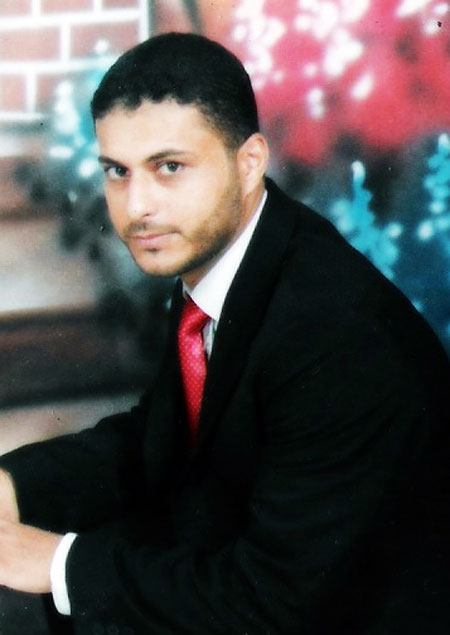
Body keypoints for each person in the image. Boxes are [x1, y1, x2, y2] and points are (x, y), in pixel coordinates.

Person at [0, 31, 449, 635]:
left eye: (169, 167)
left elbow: (271, 603)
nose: (137, 207)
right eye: (117, 171)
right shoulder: (226, 259)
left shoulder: (337, 337)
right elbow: (164, 439)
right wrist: (15, 483)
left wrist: (57, 563)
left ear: (249, 163)